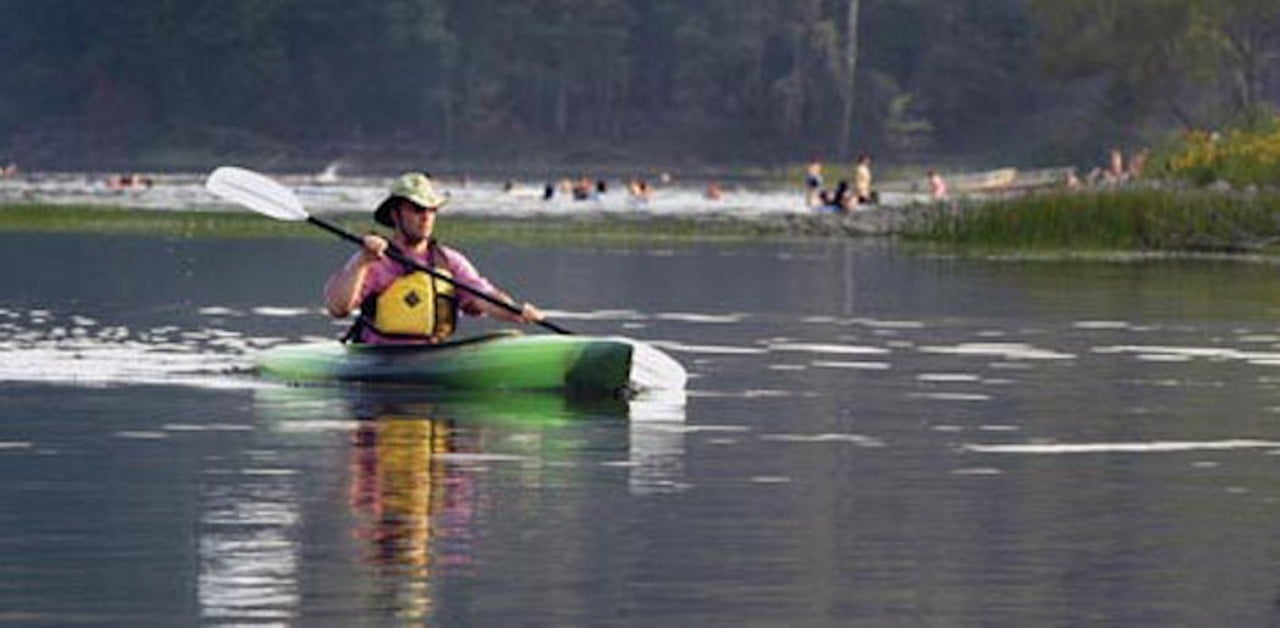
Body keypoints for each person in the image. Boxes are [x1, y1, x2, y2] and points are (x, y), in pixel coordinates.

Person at [324, 172, 544, 345]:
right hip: (380, 361)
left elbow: (483, 297)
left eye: (432, 210)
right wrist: (361, 261)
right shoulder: (374, 260)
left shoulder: (450, 261)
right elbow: (338, 308)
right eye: (417, 209)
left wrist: (516, 311)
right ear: (395, 214)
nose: (426, 217)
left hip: (433, 353)